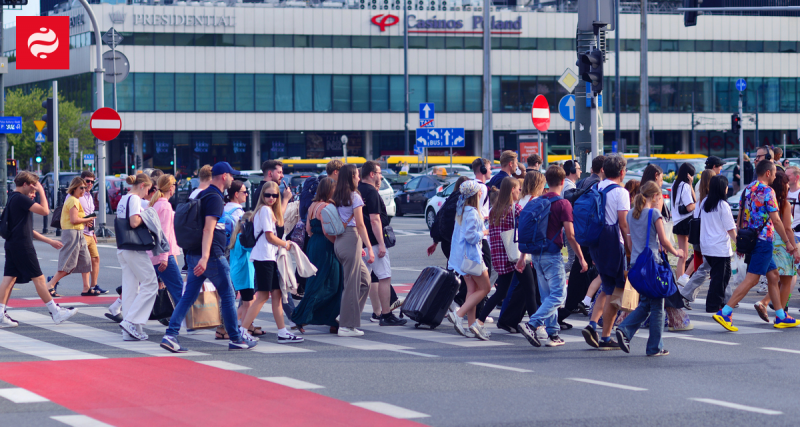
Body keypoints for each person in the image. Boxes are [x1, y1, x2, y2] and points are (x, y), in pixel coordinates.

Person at [161, 162, 258, 353]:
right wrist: (206, 257)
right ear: (224, 176)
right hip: (212, 256)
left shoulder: (203, 193)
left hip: (196, 254)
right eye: (232, 175)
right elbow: (208, 229)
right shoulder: (214, 197)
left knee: (188, 296)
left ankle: (170, 335)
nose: (233, 179)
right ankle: (236, 338)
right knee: (228, 295)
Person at [713, 160, 800, 331]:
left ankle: (781, 316)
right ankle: (725, 311)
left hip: (750, 240)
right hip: (763, 241)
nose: (775, 176)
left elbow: (739, 218)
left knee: (774, 276)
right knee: (752, 279)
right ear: (768, 173)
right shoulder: (768, 191)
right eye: (774, 173)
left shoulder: (747, 189)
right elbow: (776, 219)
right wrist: (788, 243)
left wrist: (739, 242)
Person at [518, 166, 588, 347]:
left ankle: (553, 334)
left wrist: (521, 256)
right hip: (552, 254)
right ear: (563, 181)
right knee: (558, 295)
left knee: (547, 295)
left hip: (536, 255)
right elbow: (570, 235)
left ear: (547, 182)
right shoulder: (563, 204)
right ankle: (532, 323)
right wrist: (581, 257)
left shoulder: (538, 201)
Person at [615, 181, 684, 357]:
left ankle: (626, 331)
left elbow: (629, 243)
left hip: (637, 266)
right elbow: (664, 240)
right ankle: (653, 346)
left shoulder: (631, 214)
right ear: (654, 197)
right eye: (660, 197)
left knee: (647, 303)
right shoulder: (654, 214)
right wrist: (677, 252)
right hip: (652, 265)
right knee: (658, 306)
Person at [0, 172, 74, 328]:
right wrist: (42, 190)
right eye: (32, 189)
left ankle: (0, 314)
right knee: (39, 279)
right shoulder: (21, 198)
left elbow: (28, 229)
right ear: (26, 184)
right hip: (22, 246)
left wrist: (49, 241)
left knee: (9, 280)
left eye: (35, 191)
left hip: (13, 243)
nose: (33, 194)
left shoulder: (13, 198)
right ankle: (55, 312)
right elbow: (45, 211)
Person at [238, 181, 304, 344]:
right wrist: (286, 244)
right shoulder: (265, 211)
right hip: (264, 257)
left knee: (277, 295)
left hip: (268, 257)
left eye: (275, 195)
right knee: (262, 296)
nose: (271, 198)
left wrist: (285, 200)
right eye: (268, 195)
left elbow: (277, 225)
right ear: (262, 196)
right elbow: (269, 236)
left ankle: (282, 332)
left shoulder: (266, 211)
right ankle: (243, 330)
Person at [582, 154, 631, 350]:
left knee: (607, 283)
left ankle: (593, 324)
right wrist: (630, 249)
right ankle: (605, 336)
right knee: (615, 288)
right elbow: (624, 224)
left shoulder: (597, 187)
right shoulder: (621, 192)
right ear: (621, 172)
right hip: (612, 241)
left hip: (595, 240)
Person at [292, 178, 342, 332]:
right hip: (326, 246)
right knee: (333, 283)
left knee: (316, 282)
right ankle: (304, 316)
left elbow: (308, 229)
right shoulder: (327, 207)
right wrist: (336, 243)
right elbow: (328, 231)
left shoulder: (313, 206)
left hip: (314, 244)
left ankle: (329, 320)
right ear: (329, 190)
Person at [358, 161, 405, 326]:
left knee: (363, 280)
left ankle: (357, 313)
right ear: (371, 174)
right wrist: (381, 244)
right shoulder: (371, 192)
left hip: (360, 242)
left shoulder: (357, 189)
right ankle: (386, 315)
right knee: (384, 277)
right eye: (378, 173)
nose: (381, 176)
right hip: (374, 242)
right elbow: (375, 220)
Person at [113, 174, 159, 341]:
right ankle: (131, 321)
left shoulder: (123, 199)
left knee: (130, 288)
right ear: (142, 185)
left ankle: (130, 330)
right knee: (151, 283)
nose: (147, 193)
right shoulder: (134, 199)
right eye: (148, 189)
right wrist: (146, 215)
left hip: (123, 246)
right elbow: (134, 222)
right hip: (134, 247)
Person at [444, 180, 492, 340]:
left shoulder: (463, 210)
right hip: (472, 256)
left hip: (462, 258)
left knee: (472, 290)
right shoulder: (472, 212)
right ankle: (459, 314)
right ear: (474, 195)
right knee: (485, 288)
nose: (481, 193)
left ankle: (471, 325)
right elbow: (471, 237)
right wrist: (484, 232)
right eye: (479, 191)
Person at [332, 164, 374, 337]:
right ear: (351, 177)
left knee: (365, 281)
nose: (359, 178)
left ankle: (346, 315)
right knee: (352, 283)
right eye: (356, 175)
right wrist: (369, 247)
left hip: (340, 240)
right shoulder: (355, 196)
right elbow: (360, 224)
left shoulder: (337, 195)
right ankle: (346, 325)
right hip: (351, 238)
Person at [43, 177, 95, 298]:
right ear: (74, 188)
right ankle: (50, 285)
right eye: (81, 188)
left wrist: (85, 222)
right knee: (68, 263)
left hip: (79, 232)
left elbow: (77, 220)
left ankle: (86, 288)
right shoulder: (73, 200)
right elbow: (74, 219)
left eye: (85, 187)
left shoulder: (75, 199)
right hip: (72, 233)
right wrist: (88, 219)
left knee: (86, 261)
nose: (84, 190)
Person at [481, 177, 521, 328]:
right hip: (514, 256)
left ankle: (480, 320)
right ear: (512, 190)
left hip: (499, 257)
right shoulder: (514, 209)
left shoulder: (494, 210)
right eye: (518, 188)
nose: (520, 191)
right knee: (528, 290)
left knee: (501, 292)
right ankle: (536, 325)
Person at [754, 172, 795, 321]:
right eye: (786, 184)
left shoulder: (767, 200)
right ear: (782, 186)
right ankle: (781, 315)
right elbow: (788, 228)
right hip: (783, 243)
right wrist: (793, 247)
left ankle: (768, 305)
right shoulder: (784, 203)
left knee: (775, 279)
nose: (788, 186)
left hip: (769, 241)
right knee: (786, 280)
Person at [698, 175, 738, 314]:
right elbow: (730, 229)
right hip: (719, 248)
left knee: (722, 276)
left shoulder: (705, 202)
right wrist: (738, 244)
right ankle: (713, 305)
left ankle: (719, 302)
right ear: (722, 188)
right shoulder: (722, 205)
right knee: (720, 278)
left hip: (707, 246)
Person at [147, 175, 184, 320]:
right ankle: (184, 321)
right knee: (178, 289)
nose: (176, 186)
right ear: (171, 187)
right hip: (163, 255)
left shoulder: (156, 204)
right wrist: (164, 257)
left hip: (156, 254)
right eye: (175, 184)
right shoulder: (165, 206)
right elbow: (164, 234)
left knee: (149, 289)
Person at [679, 169, 716, 308]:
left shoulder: (701, 200)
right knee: (706, 269)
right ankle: (685, 294)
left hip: (700, 238)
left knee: (709, 268)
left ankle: (726, 298)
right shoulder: (710, 200)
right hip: (708, 239)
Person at [77, 171, 107, 296]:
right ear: (81, 180)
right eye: (87, 181)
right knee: (83, 262)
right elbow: (71, 214)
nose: (89, 184)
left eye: (92, 182)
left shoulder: (89, 196)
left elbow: (91, 215)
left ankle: (94, 286)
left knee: (95, 258)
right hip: (80, 232)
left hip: (89, 233)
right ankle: (86, 287)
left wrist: (93, 231)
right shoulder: (77, 195)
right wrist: (85, 222)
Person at [672, 162, 697, 286]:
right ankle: (682, 280)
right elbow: (690, 206)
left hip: (677, 222)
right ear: (688, 175)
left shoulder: (675, 184)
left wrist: (691, 184)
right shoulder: (685, 187)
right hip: (685, 222)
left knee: (682, 254)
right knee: (686, 254)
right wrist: (698, 205)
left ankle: (679, 281)